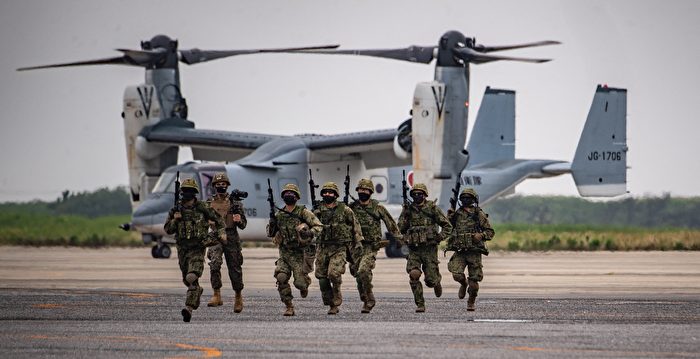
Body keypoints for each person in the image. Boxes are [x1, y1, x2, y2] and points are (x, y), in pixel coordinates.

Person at [164, 178, 226, 322]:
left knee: (192, 277)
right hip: (182, 249)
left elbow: (219, 220)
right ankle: (196, 291)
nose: (188, 194)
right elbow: (168, 229)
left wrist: (222, 233)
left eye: (190, 191)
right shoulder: (176, 209)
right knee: (188, 280)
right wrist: (175, 220)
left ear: (195, 193)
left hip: (197, 248)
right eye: (185, 191)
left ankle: (189, 309)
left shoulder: (202, 207)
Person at [267, 183, 323, 316]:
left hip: (300, 254)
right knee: (281, 277)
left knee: (300, 284)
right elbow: (270, 233)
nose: (289, 195)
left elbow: (318, 226)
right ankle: (289, 306)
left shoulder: (303, 213)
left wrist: (309, 232)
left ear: (297, 197)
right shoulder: (279, 215)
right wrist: (272, 224)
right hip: (285, 253)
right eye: (286, 193)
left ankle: (305, 283)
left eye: (292, 193)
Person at [398, 183, 452, 313]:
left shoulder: (432, 208)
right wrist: (405, 215)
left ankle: (436, 282)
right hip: (414, 250)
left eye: (420, 194)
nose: (417, 196)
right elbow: (399, 229)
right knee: (414, 274)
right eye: (414, 194)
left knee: (430, 281)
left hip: (429, 250)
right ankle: (420, 304)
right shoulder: (408, 210)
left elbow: (447, 226)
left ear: (425, 195)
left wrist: (439, 238)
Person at [349, 178, 401, 313]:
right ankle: (364, 296)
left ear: (370, 192)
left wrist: (399, 239)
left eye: (366, 190)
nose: (363, 192)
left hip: (370, 246)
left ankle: (370, 299)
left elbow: (391, 224)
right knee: (357, 273)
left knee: (363, 271)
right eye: (361, 190)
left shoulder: (378, 208)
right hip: (355, 246)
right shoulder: (351, 208)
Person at [313, 182, 363, 315]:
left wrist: (358, 243)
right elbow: (309, 225)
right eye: (325, 192)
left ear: (335, 194)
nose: (327, 194)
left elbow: (355, 225)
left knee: (333, 274)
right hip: (322, 247)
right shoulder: (317, 210)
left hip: (339, 247)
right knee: (322, 279)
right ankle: (330, 303)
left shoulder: (344, 210)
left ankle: (336, 297)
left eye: (330, 192)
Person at [446, 188, 495, 311]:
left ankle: (471, 301)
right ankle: (463, 284)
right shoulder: (457, 214)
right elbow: (447, 228)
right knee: (456, 275)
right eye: (463, 198)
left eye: (468, 198)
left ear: (473, 200)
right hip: (460, 251)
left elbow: (490, 232)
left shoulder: (478, 214)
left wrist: (481, 235)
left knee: (474, 283)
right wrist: (449, 216)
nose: (465, 200)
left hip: (474, 252)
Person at [205, 172, 247, 313]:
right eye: (218, 184)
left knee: (234, 267)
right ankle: (217, 294)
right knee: (214, 264)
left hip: (231, 236)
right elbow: (202, 220)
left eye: (223, 184)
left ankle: (238, 297)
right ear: (214, 186)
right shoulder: (209, 203)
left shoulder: (235, 203)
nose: (220, 186)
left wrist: (238, 220)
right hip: (216, 235)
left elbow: (243, 224)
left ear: (227, 185)